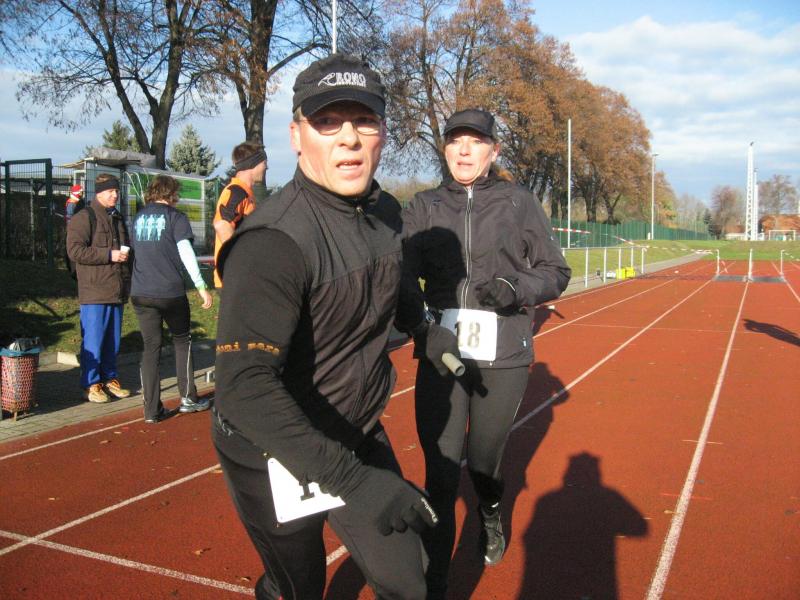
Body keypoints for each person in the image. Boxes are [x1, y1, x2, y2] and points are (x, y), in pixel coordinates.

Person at [211, 53, 441, 600]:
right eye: (327, 122)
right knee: (301, 586)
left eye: (364, 120)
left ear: (383, 133)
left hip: (352, 425)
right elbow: (243, 387)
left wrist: (424, 326)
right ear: (297, 136)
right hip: (271, 446)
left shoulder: (386, 212)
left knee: (408, 577)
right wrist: (355, 482)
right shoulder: (272, 243)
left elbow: (392, 277)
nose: (349, 138)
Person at [401, 108, 571, 598]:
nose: (464, 150)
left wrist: (515, 288)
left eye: (475, 141)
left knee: (483, 461)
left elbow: (555, 271)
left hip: (503, 354)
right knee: (440, 469)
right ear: (445, 149)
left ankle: (490, 509)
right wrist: (421, 324)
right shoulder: (424, 206)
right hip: (443, 353)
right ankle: (435, 581)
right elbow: (400, 275)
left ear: (493, 151)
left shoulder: (518, 202)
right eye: (455, 140)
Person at [129, 175, 213, 423]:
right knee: (182, 341)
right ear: (171, 194)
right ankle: (188, 397)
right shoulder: (176, 218)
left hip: (141, 291)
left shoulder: (138, 218)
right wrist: (201, 286)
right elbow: (186, 254)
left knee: (150, 348)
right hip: (169, 291)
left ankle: (151, 409)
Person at [66, 173, 133, 404]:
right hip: (94, 290)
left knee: (112, 341)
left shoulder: (117, 217)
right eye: (110, 191)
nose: (115, 195)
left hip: (116, 289)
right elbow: (75, 251)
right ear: (99, 192)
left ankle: (109, 379)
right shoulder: (84, 217)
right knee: (93, 341)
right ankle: (91, 384)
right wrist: (108, 255)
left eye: (117, 191)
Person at [212, 141, 266, 287]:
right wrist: (241, 262)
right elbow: (222, 224)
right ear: (253, 164)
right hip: (233, 280)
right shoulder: (236, 191)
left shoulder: (246, 193)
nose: (266, 167)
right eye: (264, 163)